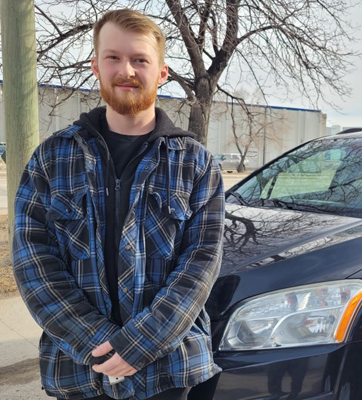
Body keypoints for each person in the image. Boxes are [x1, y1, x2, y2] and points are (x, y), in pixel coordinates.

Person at [12, 9, 224, 400]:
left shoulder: (195, 163)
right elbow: (33, 263)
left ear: (161, 73)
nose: (126, 69)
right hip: (79, 368)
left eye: (140, 59)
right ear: (96, 65)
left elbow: (201, 263)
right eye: (113, 57)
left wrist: (138, 345)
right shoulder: (52, 158)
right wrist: (100, 342)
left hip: (167, 370)